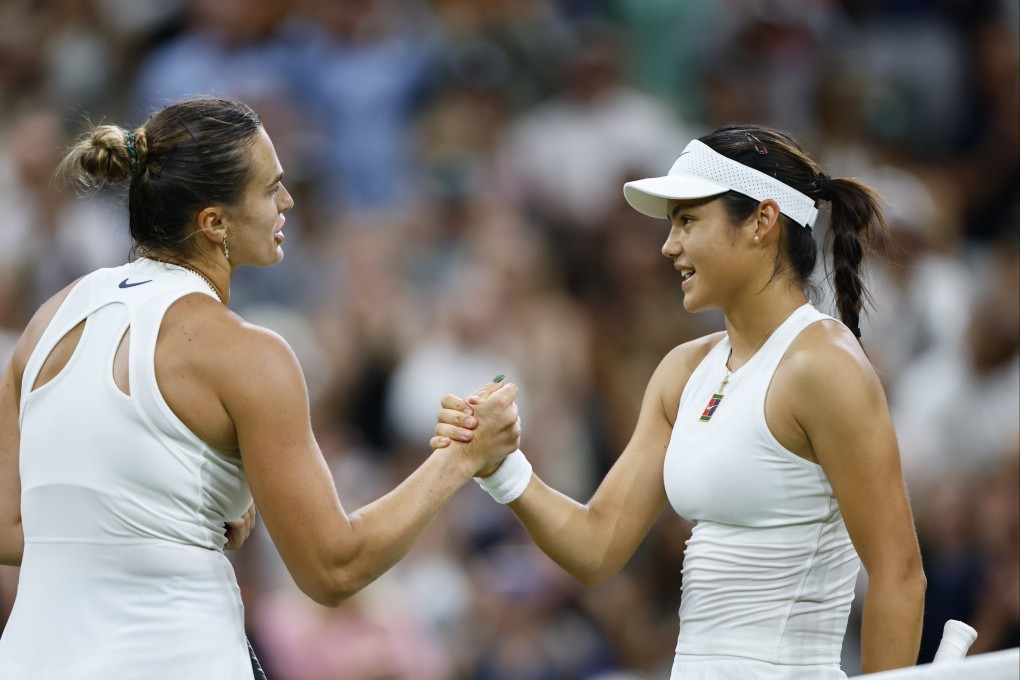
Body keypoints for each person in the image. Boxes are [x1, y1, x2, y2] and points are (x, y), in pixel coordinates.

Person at [0, 97, 521, 679]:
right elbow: (333, 569)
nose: (288, 201)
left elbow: (9, 528)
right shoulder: (251, 354)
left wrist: (164, 519)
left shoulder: (48, 321)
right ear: (214, 222)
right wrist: (463, 456)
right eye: (271, 187)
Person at [433, 124, 926, 678]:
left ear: (762, 222)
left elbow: (899, 572)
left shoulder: (824, 365)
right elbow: (598, 547)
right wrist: (502, 467)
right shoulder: (682, 371)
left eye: (688, 220)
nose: (669, 245)